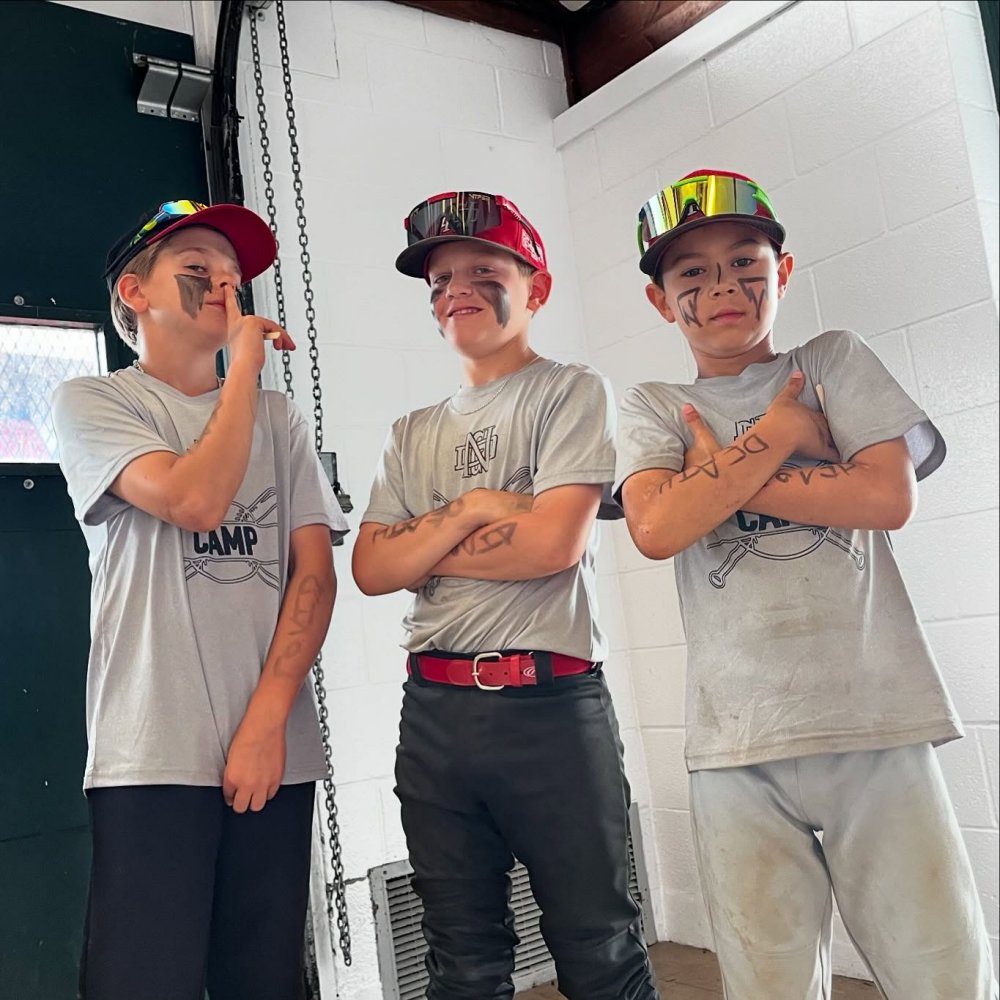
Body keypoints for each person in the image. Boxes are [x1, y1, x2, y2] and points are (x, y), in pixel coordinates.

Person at [614, 169, 998, 1000]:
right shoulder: (654, 404)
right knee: (768, 985)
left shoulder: (832, 361)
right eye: (692, 272)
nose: (723, 287)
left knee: (944, 974)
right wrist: (786, 434)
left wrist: (719, 476)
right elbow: (656, 528)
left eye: (744, 262)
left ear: (781, 272)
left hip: (879, 719)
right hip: (735, 741)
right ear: (660, 300)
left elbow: (886, 497)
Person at [352, 191, 659, 1000]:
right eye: (441, 280)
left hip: (551, 709)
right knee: (460, 959)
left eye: (483, 271)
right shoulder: (409, 433)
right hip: (434, 715)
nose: (456, 289)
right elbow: (372, 568)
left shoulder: (570, 392)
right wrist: (480, 508)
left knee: (599, 948)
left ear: (536, 288)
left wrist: (427, 548)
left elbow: (553, 544)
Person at [52, 199, 349, 1000]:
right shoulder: (95, 403)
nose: (225, 286)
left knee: (264, 980)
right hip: (152, 751)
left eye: (233, 275)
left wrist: (268, 720)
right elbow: (195, 501)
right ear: (135, 291)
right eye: (198, 269)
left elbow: (313, 577)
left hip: (274, 753)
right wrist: (242, 373)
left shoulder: (280, 421)